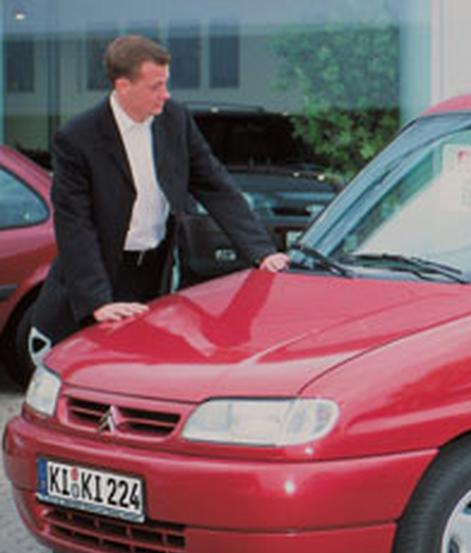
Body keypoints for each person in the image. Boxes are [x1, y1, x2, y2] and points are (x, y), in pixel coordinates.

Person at [28, 35, 288, 362]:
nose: (165, 94)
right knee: (93, 375)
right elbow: (74, 225)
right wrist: (99, 301)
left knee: (146, 371)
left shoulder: (175, 119)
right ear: (123, 86)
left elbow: (214, 184)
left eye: (166, 84)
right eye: (156, 86)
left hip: (154, 270)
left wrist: (261, 251)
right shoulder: (77, 138)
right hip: (100, 273)